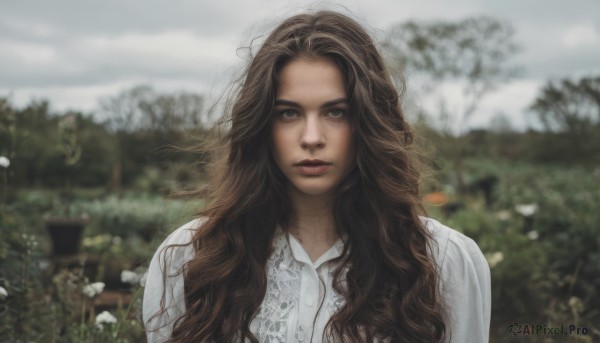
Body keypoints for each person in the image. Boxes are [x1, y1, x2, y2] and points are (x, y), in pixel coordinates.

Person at [143, 10, 491, 343]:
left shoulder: (443, 261)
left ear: (369, 123)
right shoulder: (188, 259)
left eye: (336, 112)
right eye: (289, 113)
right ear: (262, 124)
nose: (312, 138)